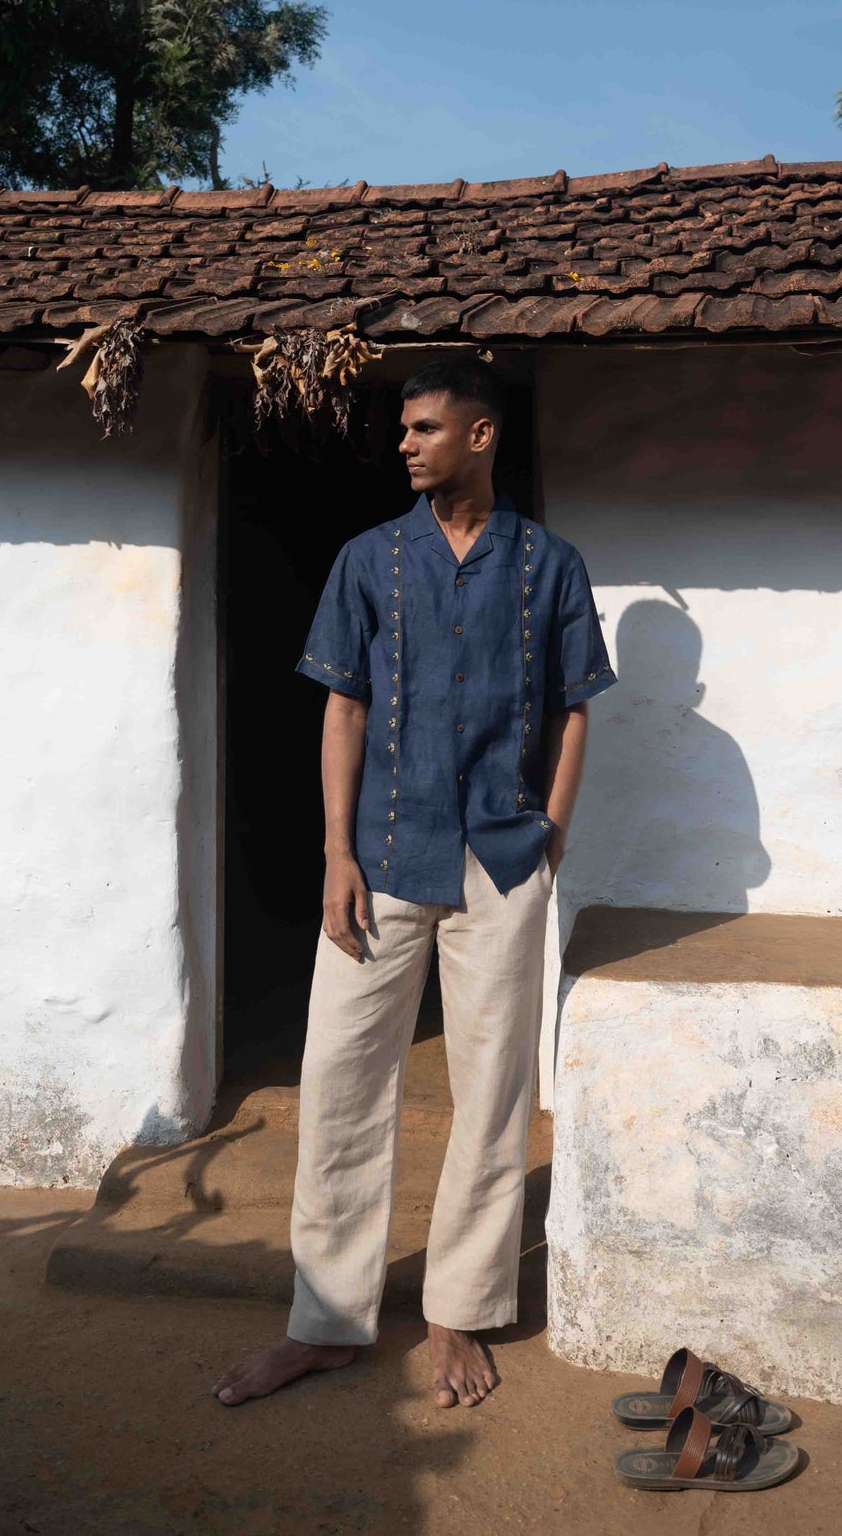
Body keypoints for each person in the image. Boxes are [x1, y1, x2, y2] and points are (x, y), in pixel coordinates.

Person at [214, 355, 615, 1410]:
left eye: (424, 427)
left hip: (498, 862)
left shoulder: (549, 565)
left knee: (490, 1097)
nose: (404, 443)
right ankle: (327, 1322)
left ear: (478, 436)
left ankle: (456, 1313)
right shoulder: (367, 561)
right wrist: (335, 854)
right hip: (381, 860)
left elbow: (576, 707)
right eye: (403, 429)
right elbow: (339, 708)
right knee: (340, 1083)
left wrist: (551, 838)